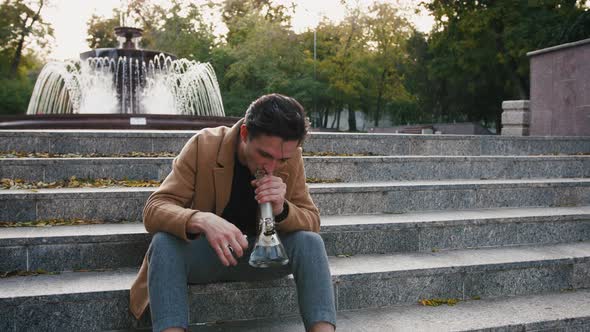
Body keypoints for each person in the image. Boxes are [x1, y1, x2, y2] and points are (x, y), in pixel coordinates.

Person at [129, 93, 337, 332]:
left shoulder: (288, 156)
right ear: (245, 134)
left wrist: (282, 209)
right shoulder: (203, 145)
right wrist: (201, 219)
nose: (272, 167)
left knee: (310, 242)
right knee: (163, 243)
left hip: (265, 258)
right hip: (208, 256)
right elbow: (154, 208)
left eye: (281, 160)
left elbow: (312, 219)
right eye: (265, 155)